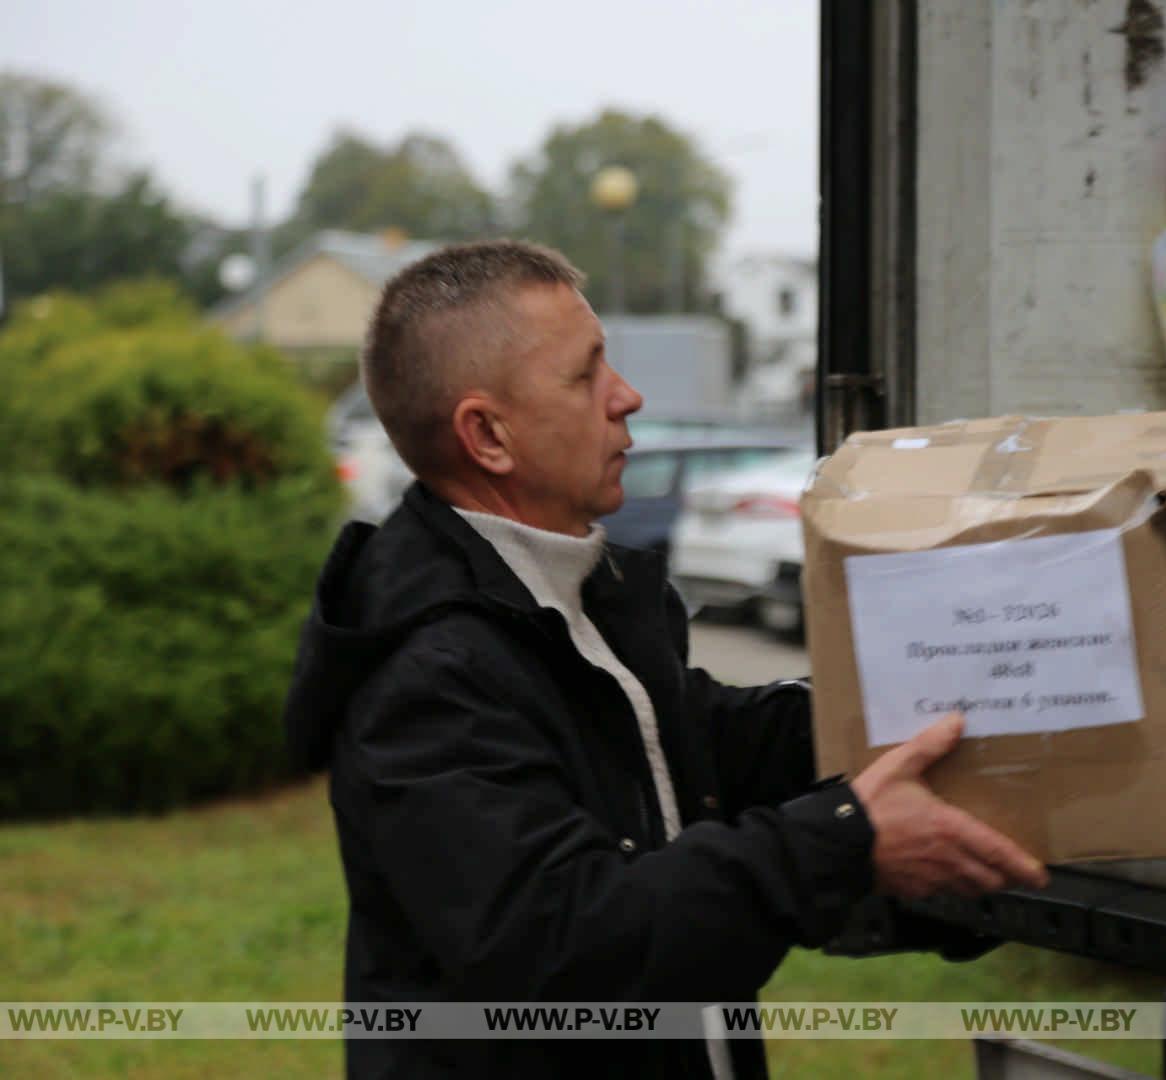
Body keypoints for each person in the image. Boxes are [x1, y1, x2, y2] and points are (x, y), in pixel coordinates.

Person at [283, 240, 1048, 1079]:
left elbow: (697, 749)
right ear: (488, 435)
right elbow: (568, 945)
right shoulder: (426, 677)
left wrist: (913, 697)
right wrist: (842, 840)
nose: (628, 397)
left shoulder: (569, 597)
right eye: (586, 376)